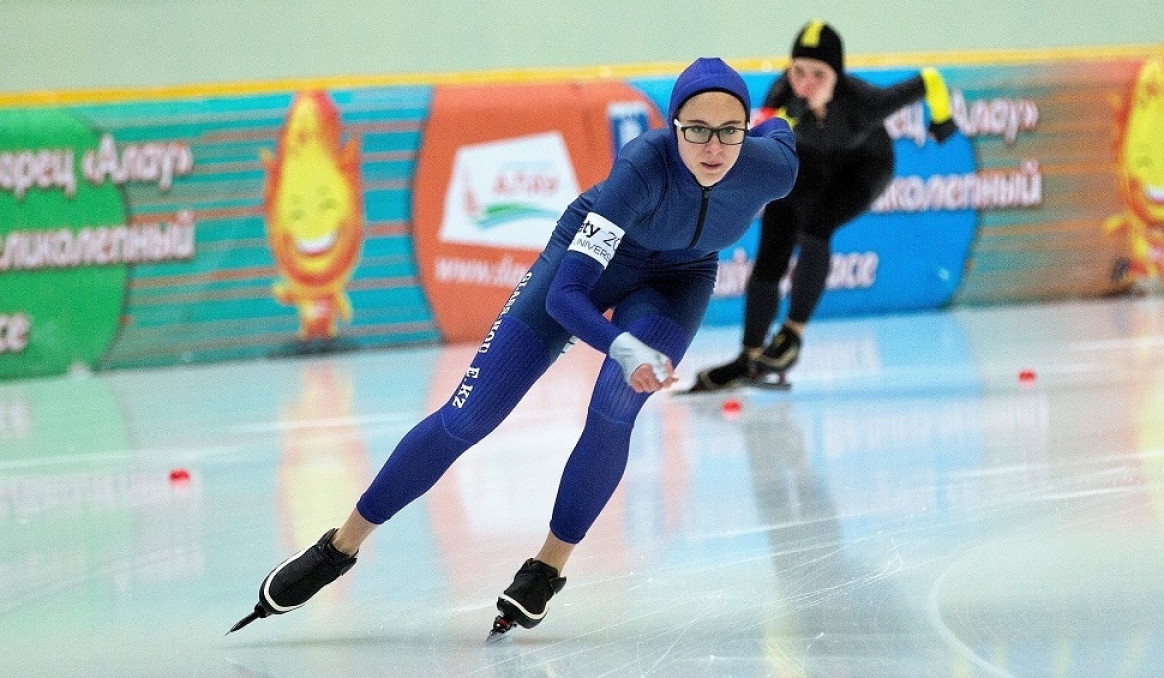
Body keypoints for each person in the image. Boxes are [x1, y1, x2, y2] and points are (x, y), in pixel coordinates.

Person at [228, 57, 799, 637]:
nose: (713, 146)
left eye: (729, 130)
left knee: (614, 410)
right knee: (467, 417)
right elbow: (567, 297)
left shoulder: (770, 167)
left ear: (745, 131)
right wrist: (620, 346)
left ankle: (546, 571)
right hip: (585, 271)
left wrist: (790, 116)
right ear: (673, 126)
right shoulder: (641, 170)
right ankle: (339, 549)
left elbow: (783, 129)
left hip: (678, 280)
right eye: (695, 129)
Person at [688, 20, 958, 392]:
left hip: (863, 169)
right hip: (811, 165)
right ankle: (749, 355)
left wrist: (942, 119)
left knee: (816, 226)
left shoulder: (864, 103)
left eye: (818, 73)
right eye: (798, 71)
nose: (805, 82)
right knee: (776, 229)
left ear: (837, 75)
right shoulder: (785, 93)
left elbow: (929, 79)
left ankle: (792, 335)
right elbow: (762, 133)